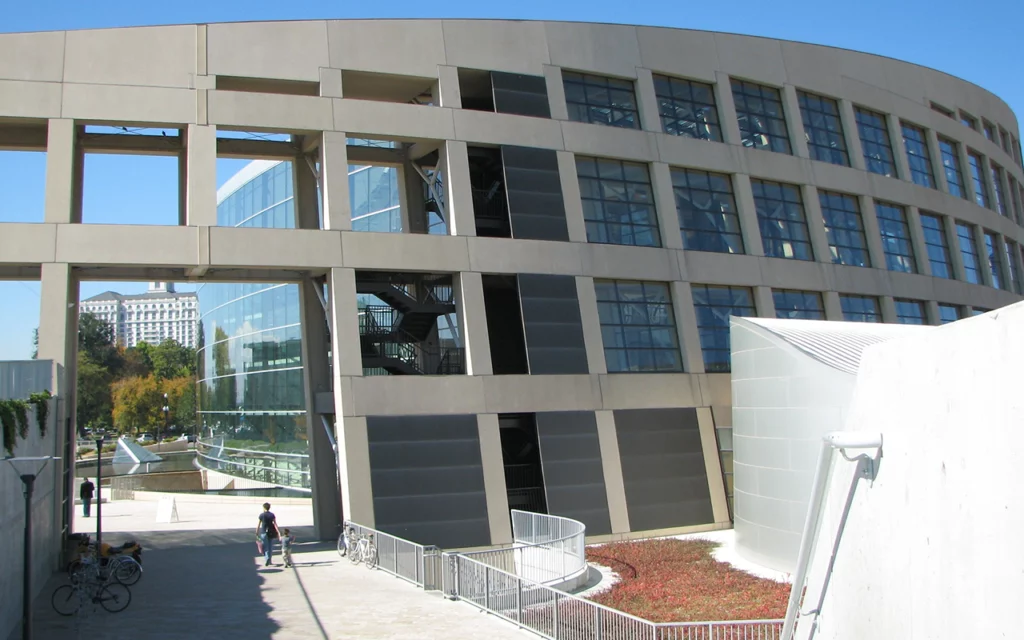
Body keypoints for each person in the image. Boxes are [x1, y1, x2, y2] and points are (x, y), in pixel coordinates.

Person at [256, 502, 281, 567]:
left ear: (264, 508)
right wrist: (278, 532)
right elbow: (275, 524)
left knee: (265, 547)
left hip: (263, 532)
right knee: (270, 546)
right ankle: (269, 560)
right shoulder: (272, 515)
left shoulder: (261, 515)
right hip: (271, 532)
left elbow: (258, 524)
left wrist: (256, 532)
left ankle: (267, 558)